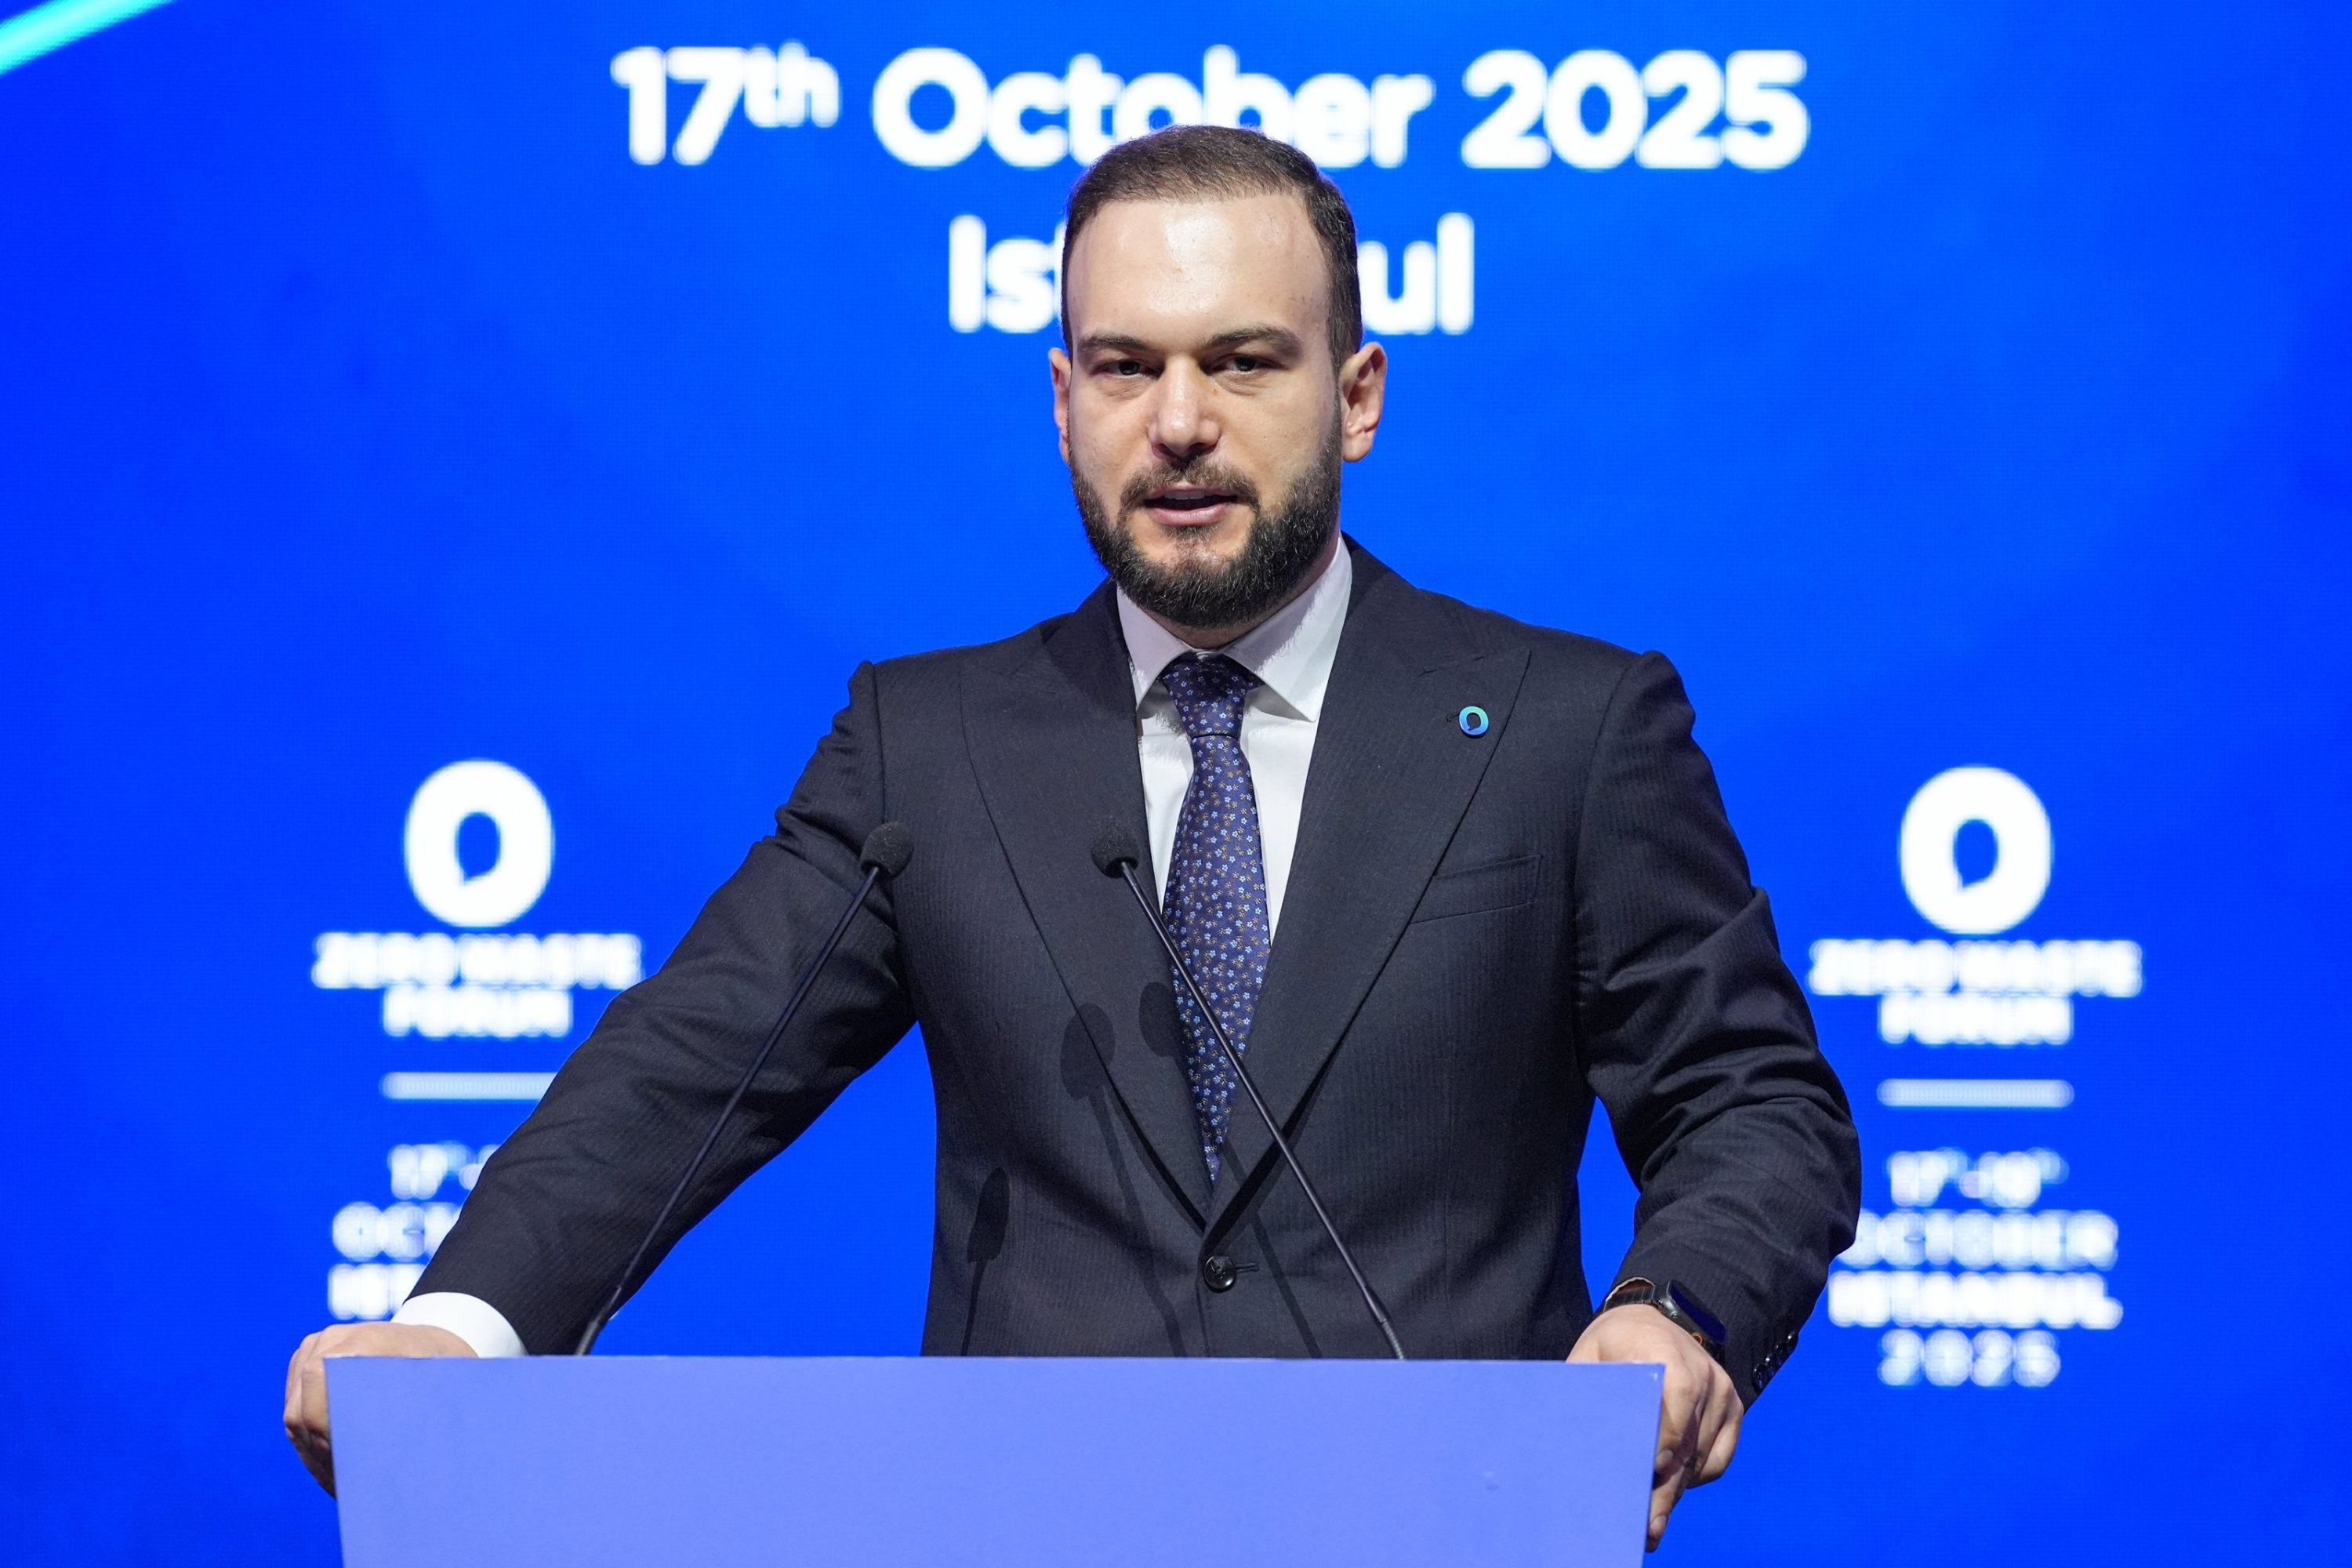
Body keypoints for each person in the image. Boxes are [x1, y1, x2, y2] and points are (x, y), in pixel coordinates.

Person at [285, 125, 1859, 1551]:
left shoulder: (1562, 727)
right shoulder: (933, 744)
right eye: (1125, 366)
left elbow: (1753, 1100)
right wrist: (463, 1333)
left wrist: (1679, 1311)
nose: (1179, 422)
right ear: (1061, 402)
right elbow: (687, 1064)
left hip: (1452, 1526)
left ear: (1358, 395)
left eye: (1242, 362)